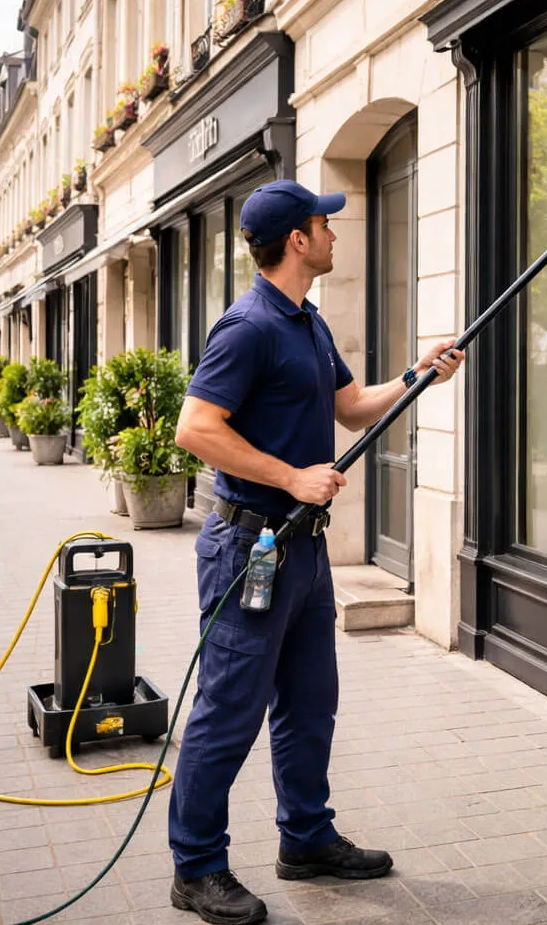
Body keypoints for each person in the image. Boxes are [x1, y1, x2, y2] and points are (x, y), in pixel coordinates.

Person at [169, 180, 465, 925]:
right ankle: (195, 867)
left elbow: (349, 404)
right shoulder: (247, 326)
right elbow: (196, 428)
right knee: (227, 713)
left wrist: (418, 375)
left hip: (300, 550)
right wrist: (292, 476)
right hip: (248, 546)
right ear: (297, 241)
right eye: (323, 224)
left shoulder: (308, 322)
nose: (334, 232)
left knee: (309, 703)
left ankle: (306, 839)